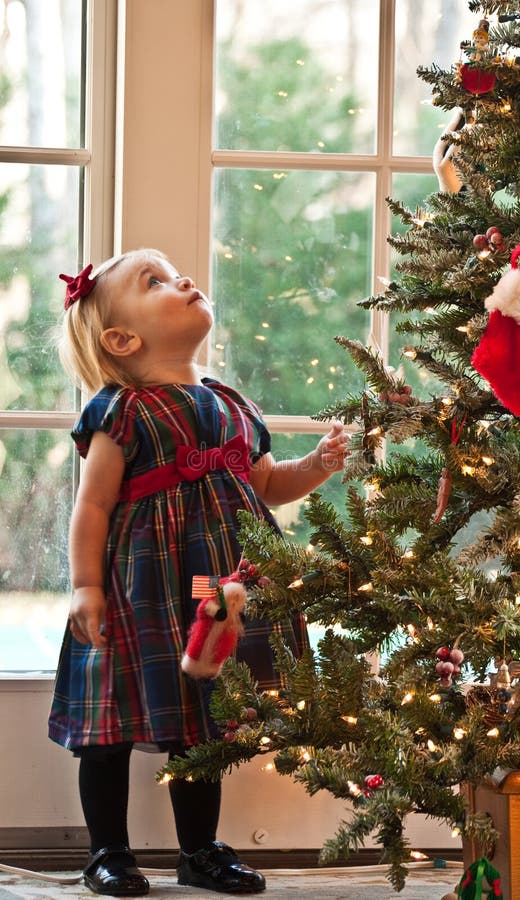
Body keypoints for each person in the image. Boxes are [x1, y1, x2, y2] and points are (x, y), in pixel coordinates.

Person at [48, 248, 349, 897]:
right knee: (110, 723)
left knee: (200, 716)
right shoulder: (121, 410)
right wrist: (85, 586)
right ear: (123, 338)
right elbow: (93, 504)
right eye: (153, 281)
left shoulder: (230, 403)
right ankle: (107, 852)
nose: (181, 279)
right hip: (138, 590)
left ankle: (199, 851)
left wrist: (316, 466)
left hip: (213, 585)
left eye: (173, 270)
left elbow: (266, 484)